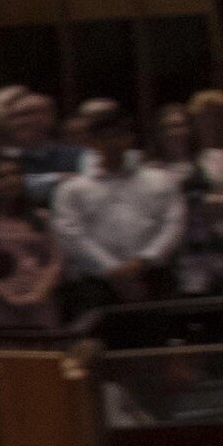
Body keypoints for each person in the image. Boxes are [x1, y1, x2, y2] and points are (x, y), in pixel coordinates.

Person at [52, 104, 180, 314]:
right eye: (105, 137)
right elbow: (70, 234)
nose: (113, 143)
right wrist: (111, 269)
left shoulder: (160, 180)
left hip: (153, 276)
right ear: (91, 141)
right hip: (97, 284)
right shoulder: (72, 189)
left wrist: (144, 261)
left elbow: (172, 224)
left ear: (130, 139)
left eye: (120, 136)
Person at [0, 159, 65, 331]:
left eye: (15, 174)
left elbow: (56, 261)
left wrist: (39, 292)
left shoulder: (41, 218)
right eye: (1, 176)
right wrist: (7, 294)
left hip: (40, 299)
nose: (10, 180)